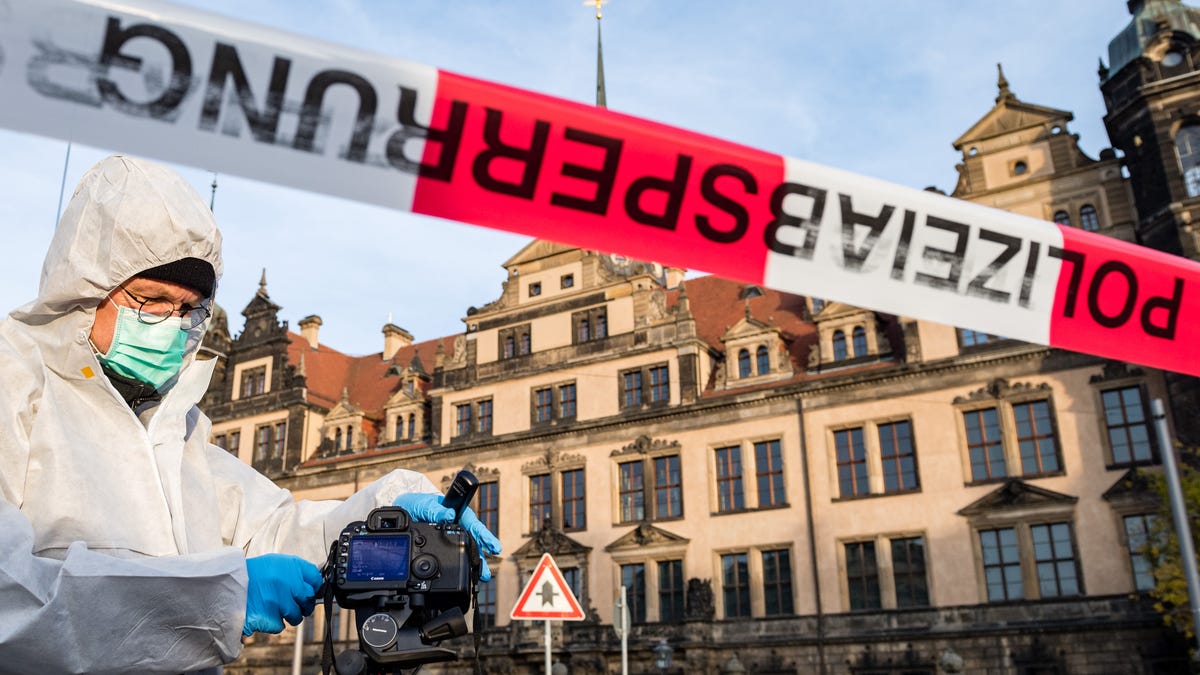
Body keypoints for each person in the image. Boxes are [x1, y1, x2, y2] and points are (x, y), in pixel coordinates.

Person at [0, 155, 500, 674]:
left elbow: (277, 530)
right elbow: (10, 600)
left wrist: (392, 517)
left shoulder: (175, 428)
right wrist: (220, 598)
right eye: (151, 301)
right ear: (84, 291)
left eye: (190, 309)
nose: (173, 326)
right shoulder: (14, 382)